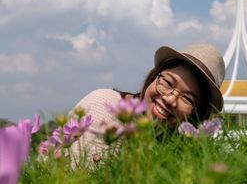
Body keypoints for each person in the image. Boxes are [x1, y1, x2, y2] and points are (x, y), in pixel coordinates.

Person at [69, 43, 225, 163]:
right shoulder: (105, 104)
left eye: (187, 98)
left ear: (196, 114)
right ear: (154, 76)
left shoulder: (180, 154)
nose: (170, 99)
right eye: (168, 83)